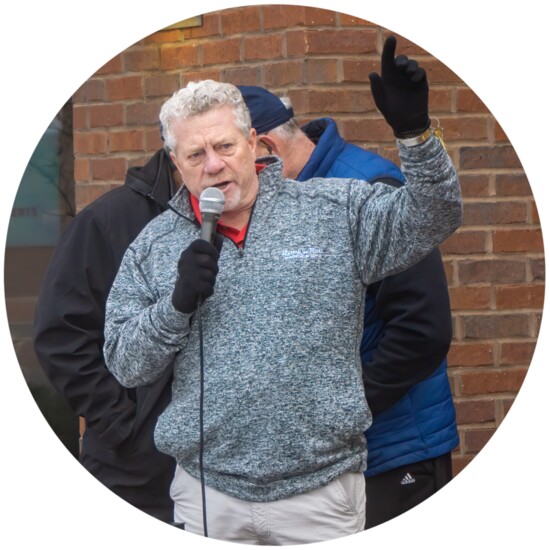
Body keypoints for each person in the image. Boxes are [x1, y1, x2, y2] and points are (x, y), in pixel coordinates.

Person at [103, 36, 462, 545]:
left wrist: (416, 135)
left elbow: (435, 216)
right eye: (195, 153)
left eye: (225, 146)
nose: (213, 164)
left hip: (319, 493)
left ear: (253, 143)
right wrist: (175, 307)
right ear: (174, 161)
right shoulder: (154, 245)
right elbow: (123, 361)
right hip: (209, 498)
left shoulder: (334, 210)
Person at [238, 81, 459, 528]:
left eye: (234, 163)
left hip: (391, 455)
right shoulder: (283, 202)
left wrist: (332, 414)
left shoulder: (368, 186)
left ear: (264, 148)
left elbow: (422, 330)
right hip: (331, 460)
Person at [33, 147, 179, 522]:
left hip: (223, 471)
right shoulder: (108, 219)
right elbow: (61, 335)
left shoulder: (244, 219)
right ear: (176, 151)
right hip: (135, 472)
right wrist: (120, 424)